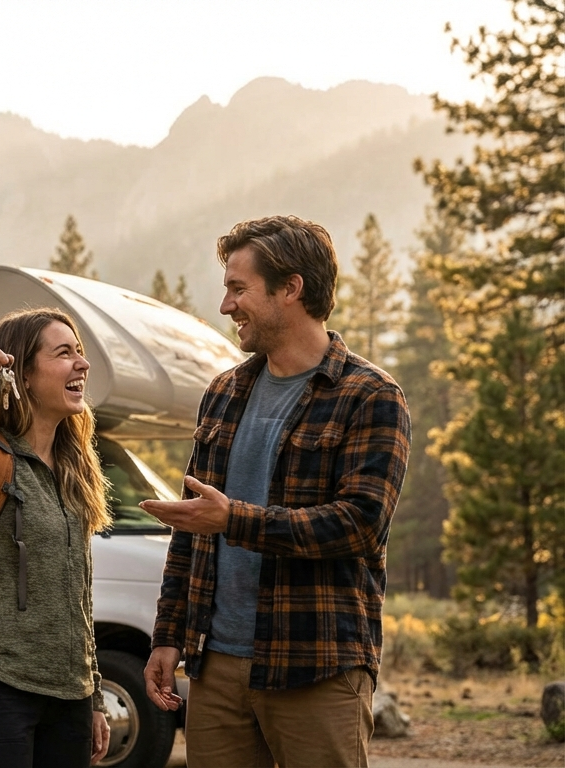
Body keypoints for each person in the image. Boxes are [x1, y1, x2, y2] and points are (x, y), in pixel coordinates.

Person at [139, 215, 411, 767]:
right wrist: (167, 634)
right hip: (215, 668)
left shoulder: (370, 396)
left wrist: (234, 520)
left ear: (291, 289)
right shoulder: (224, 392)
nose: (226, 306)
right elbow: (193, 531)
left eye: (239, 289)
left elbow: (359, 525)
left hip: (316, 667)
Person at [0, 307, 112, 767]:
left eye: (81, 353)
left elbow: (79, 595)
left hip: (68, 694)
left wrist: (93, 697)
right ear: (24, 375)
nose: (82, 364)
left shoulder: (75, 466)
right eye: (64, 353)